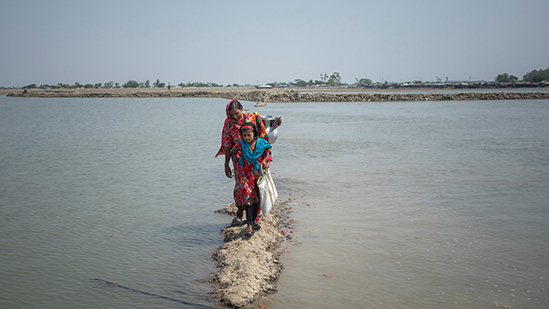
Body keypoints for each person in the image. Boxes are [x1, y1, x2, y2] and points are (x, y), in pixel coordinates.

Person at [216, 99, 270, 221]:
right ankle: (241, 207)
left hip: (256, 158)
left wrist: (266, 158)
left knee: (257, 185)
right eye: (232, 114)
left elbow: (264, 137)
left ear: (242, 109)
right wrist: (226, 164)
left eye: (237, 113)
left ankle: (254, 217)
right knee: (241, 186)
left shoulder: (253, 117)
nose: (235, 117)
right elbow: (228, 144)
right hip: (240, 160)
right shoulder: (228, 123)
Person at [231, 122, 272, 235]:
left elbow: (268, 152)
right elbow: (233, 152)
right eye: (244, 135)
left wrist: (264, 161)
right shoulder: (241, 144)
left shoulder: (261, 143)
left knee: (257, 200)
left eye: (249, 135)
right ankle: (249, 225)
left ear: (254, 134)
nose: (247, 137)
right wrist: (239, 159)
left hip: (257, 175)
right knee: (248, 200)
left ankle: (254, 220)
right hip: (246, 176)